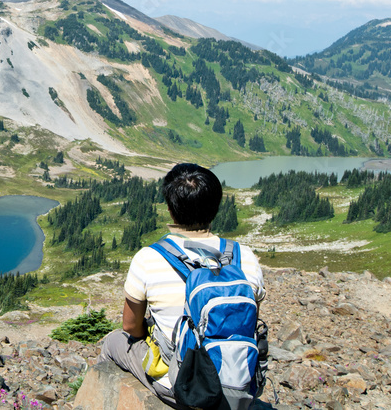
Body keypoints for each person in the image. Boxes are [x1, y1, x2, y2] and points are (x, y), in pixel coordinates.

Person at [98, 162, 265, 404]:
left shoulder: (149, 258)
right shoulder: (245, 257)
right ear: (216, 207)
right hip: (238, 384)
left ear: (170, 208)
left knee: (113, 342)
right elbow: (248, 322)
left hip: (181, 385)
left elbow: (130, 326)